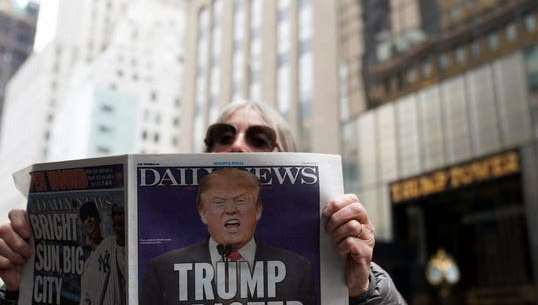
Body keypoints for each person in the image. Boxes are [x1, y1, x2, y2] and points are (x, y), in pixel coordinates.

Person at [0, 100, 407, 305]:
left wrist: (362, 288)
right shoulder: (159, 269)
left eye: (259, 139)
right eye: (223, 136)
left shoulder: (320, 263)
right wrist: (20, 290)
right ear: (200, 207)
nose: (238, 146)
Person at [140, 167, 316, 304]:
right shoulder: (162, 269)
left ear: (258, 210)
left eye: (241, 201)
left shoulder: (298, 269)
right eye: (218, 203)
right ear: (202, 213)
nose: (231, 210)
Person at [80, 204, 126, 305]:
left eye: (91, 215)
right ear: (83, 227)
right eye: (85, 218)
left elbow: (127, 271)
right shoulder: (87, 267)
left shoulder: (113, 243)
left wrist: (122, 237)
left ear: (98, 219)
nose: (89, 220)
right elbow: (85, 301)